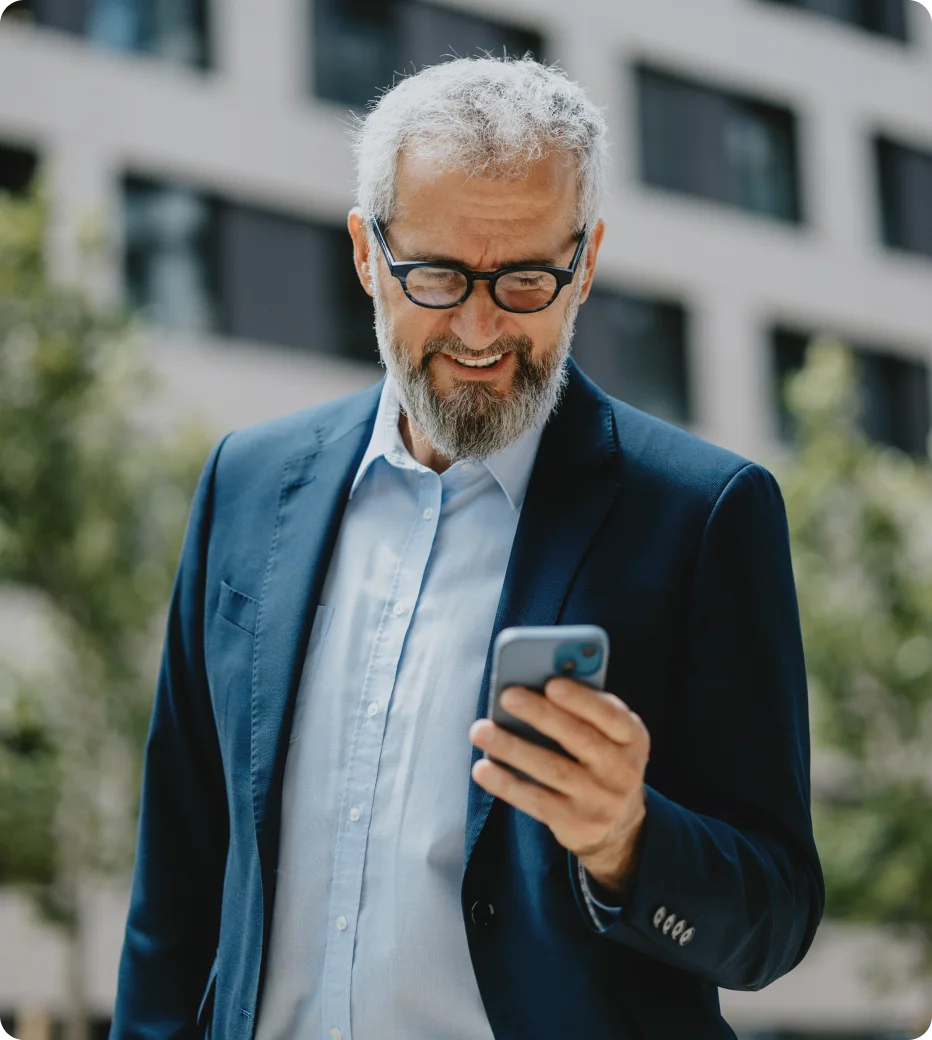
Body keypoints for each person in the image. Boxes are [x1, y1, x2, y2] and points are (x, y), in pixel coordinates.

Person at [110, 56, 823, 1040]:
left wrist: (629, 840)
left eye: (525, 277)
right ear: (366, 253)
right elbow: (178, 880)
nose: (481, 327)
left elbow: (773, 914)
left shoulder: (703, 515)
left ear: (584, 263)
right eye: (438, 274)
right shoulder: (245, 482)